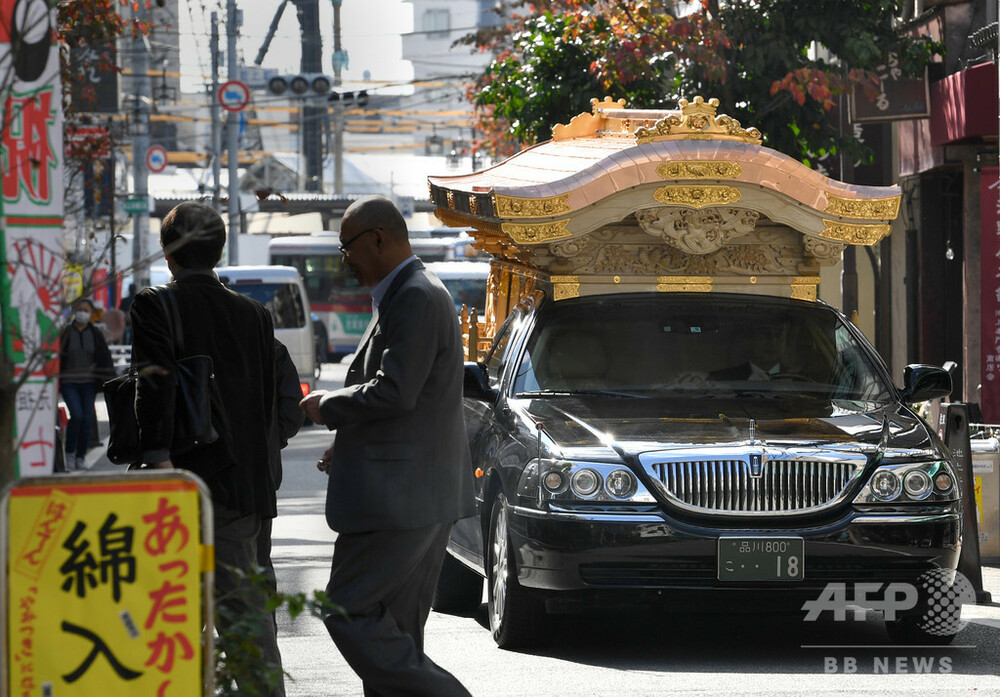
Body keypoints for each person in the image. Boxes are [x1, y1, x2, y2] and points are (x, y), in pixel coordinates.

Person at [300, 195, 475, 697]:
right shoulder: (407, 292)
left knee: (348, 607)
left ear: (377, 239)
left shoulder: (416, 295)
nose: (345, 261)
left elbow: (396, 390)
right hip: (412, 489)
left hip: (402, 496)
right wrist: (351, 438)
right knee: (394, 636)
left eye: (346, 248)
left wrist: (327, 406)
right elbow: (411, 398)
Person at [129, 201, 284, 697]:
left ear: (168, 253)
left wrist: (158, 461)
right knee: (246, 615)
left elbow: (154, 387)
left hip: (185, 482)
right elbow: (269, 406)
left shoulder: (155, 305)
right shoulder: (255, 315)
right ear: (217, 253)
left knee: (173, 614)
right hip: (250, 489)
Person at [59, 297, 114, 470]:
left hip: (89, 383)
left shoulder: (95, 334)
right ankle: (69, 453)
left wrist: (109, 378)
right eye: (80, 309)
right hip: (69, 382)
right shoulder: (66, 332)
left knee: (86, 420)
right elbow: (58, 357)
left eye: (86, 310)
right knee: (77, 415)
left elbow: (104, 357)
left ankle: (80, 456)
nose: (83, 312)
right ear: (75, 311)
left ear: (91, 313)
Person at [710, 324, 789, 381]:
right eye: (765, 334)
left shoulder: (795, 379)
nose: (773, 342)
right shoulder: (721, 380)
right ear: (749, 340)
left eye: (779, 335)